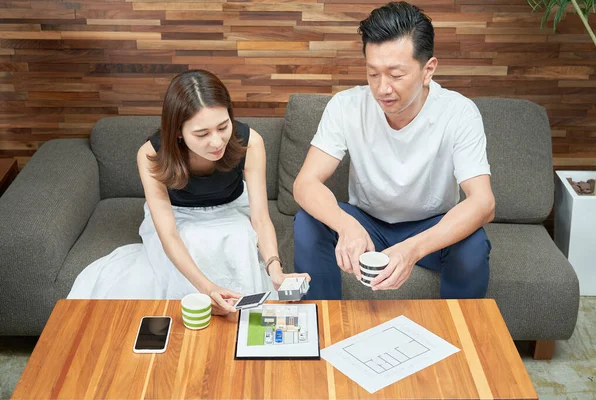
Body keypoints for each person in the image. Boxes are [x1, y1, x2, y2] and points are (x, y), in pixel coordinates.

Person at [292, 1, 495, 300]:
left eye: (396, 75)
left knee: (473, 245)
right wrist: (346, 225)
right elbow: (304, 184)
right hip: (367, 221)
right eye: (373, 74)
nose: (382, 88)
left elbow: (483, 203)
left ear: (428, 70)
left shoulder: (459, 112)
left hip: (431, 226)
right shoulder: (346, 106)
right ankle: (323, 328)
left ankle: (457, 340)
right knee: (308, 222)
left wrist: (412, 249)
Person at [68, 70, 310, 314]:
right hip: (177, 214)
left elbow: (260, 218)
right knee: (192, 241)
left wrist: (275, 269)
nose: (217, 142)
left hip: (232, 207)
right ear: (177, 132)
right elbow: (169, 235)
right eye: (202, 134)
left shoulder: (250, 141)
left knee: (238, 239)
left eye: (223, 127)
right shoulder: (151, 154)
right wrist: (208, 288)